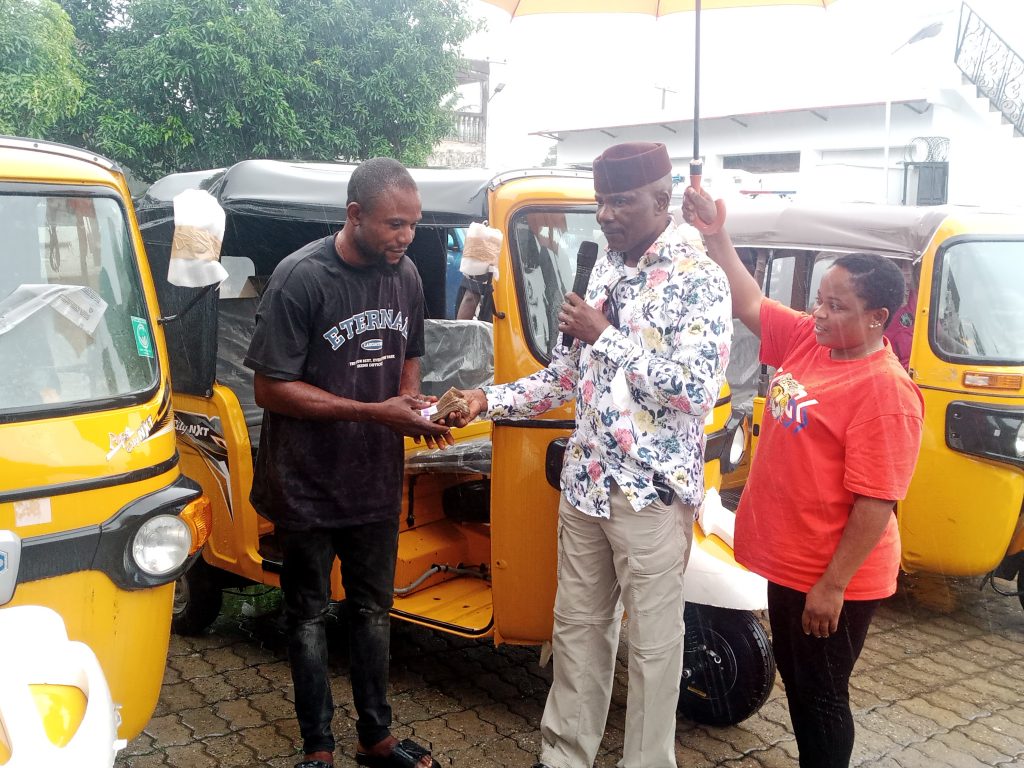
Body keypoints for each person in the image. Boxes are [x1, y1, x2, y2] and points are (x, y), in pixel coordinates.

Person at [454, 142, 732, 768]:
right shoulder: (604, 269)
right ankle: (564, 756)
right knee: (577, 631)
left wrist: (607, 337)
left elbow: (693, 391)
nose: (606, 214)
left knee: (656, 648)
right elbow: (563, 377)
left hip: (651, 496)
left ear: (662, 201)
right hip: (585, 485)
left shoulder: (700, 278)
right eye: (602, 201)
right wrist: (484, 399)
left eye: (622, 201)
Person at [682, 188, 925, 768]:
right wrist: (717, 235)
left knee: (819, 696)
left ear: (877, 319)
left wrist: (833, 585)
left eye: (837, 305)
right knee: (802, 684)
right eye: (819, 299)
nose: (820, 312)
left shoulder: (885, 391)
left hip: (831, 573)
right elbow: (749, 301)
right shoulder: (812, 344)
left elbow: (876, 501)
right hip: (791, 562)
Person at [243, 157, 453, 768]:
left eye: (412, 224)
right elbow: (270, 388)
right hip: (305, 480)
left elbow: (409, 351)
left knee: (372, 611)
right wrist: (376, 412)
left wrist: (411, 403)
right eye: (393, 224)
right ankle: (318, 748)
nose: (405, 237)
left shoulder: (407, 275)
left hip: (374, 481)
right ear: (355, 215)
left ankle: (376, 738)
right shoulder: (300, 278)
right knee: (307, 614)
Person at [883, 258, 918, 369]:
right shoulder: (876, 308)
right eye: (901, 265)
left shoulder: (916, 299)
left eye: (910, 266)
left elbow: (938, 332)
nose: (908, 272)